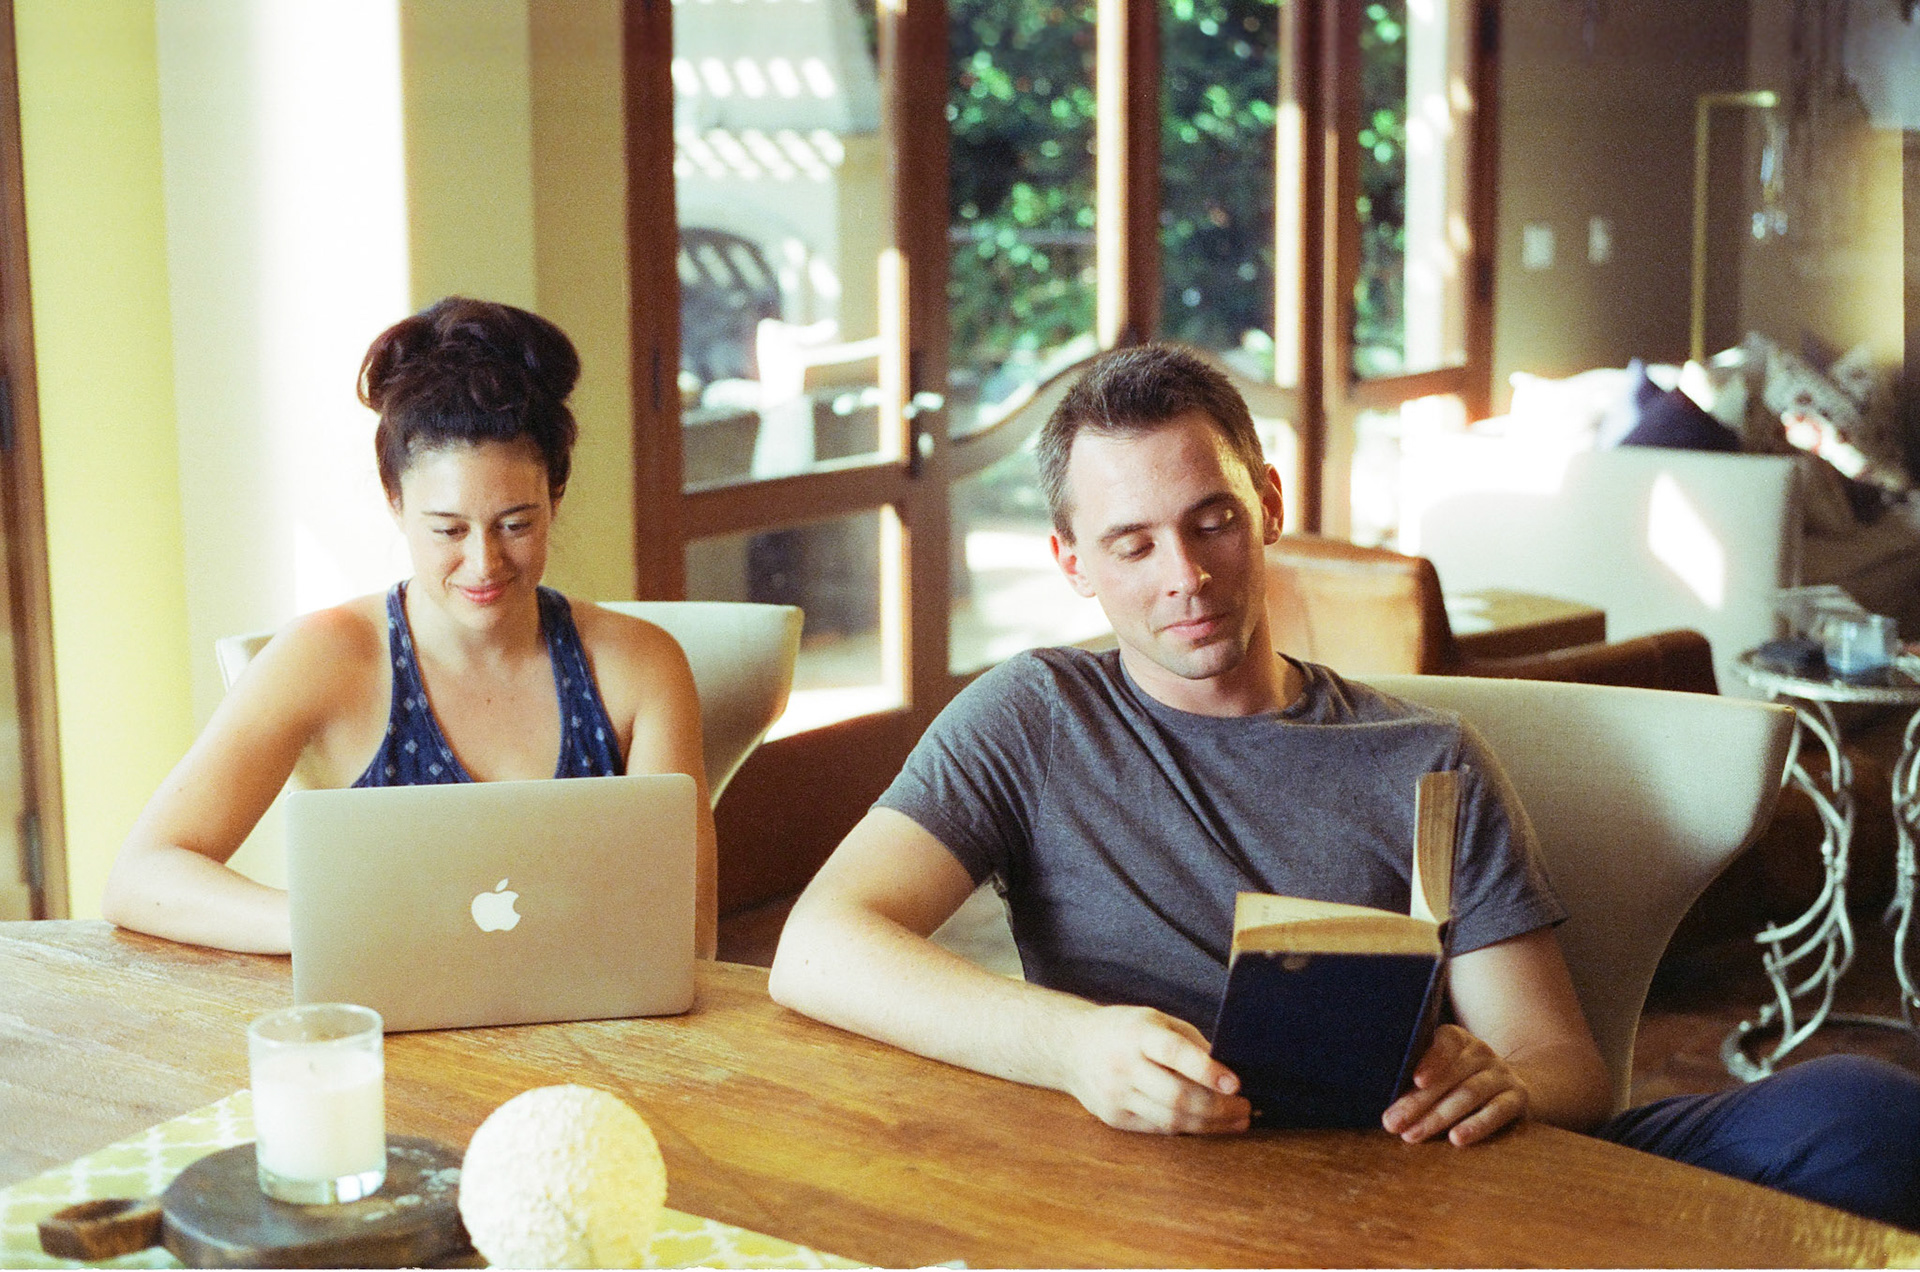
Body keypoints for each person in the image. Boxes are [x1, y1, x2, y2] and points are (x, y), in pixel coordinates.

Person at [770, 343, 1920, 1228]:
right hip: (1154, 1197)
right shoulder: (1032, 717)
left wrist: (1500, 1084)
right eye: (1133, 545)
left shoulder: (1424, 756)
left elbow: (1562, 1064)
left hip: (1419, 1184)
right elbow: (818, 947)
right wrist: (1073, 1050)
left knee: (1866, 1116)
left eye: (1213, 521)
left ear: (1268, 505)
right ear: (1073, 562)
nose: (1186, 576)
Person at [102, 297, 718, 957]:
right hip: (384, 1013)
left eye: (516, 524)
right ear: (395, 503)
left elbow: (688, 931)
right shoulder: (325, 657)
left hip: (595, 1012)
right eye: (447, 530)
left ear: (555, 498)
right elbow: (143, 876)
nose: (483, 562)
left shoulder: (638, 666)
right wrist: (329, 925)